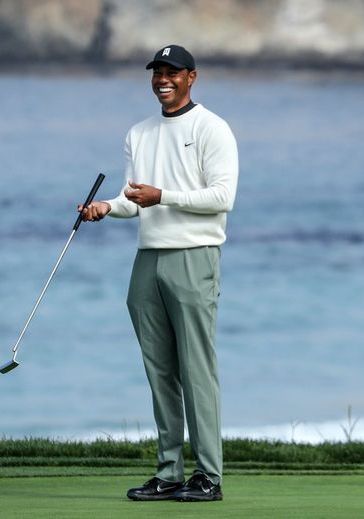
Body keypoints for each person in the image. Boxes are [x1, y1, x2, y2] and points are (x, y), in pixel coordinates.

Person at [79, 44, 239, 502]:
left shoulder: (212, 128)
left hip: (195, 255)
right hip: (147, 260)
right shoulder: (139, 133)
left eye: (172, 72)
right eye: (157, 73)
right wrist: (106, 207)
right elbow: (135, 198)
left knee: (197, 370)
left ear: (192, 77)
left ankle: (208, 476)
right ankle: (170, 471)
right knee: (159, 370)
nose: (162, 79)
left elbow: (221, 197)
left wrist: (163, 196)